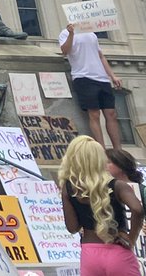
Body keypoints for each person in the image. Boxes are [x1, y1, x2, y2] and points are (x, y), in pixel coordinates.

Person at [60, 135, 143, 275]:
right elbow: (137, 209)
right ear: (100, 158)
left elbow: (72, 227)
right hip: (118, 251)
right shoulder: (117, 185)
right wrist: (132, 238)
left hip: (90, 254)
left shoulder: (68, 188)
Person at [62, 22, 124, 150]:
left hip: (101, 77)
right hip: (83, 77)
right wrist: (71, 34)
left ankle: (118, 150)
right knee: (94, 114)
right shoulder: (65, 33)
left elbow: (100, 56)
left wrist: (112, 75)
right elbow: (65, 51)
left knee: (111, 113)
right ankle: (101, 149)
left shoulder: (92, 34)